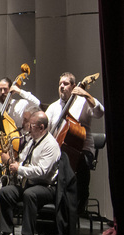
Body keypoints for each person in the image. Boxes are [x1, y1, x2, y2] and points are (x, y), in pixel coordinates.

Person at [0, 109, 60, 235]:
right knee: (5, 192)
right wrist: (12, 162)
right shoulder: (32, 141)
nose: (28, 128)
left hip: (46, 186)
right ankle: (8, 234)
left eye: (32, 125)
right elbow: (22, 158)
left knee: (29, 194)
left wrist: (19, 169)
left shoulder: (50, 145)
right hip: (29, 182)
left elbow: (42, 171)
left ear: (41, 127)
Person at [44, 72, 103, 215]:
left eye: (66, 84)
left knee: (75, 163)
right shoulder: (53, 107)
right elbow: (46, 131)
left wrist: (86, 95)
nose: (62, 87)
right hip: (61, 152)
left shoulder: (83, 102)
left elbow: (100, 112)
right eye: (60, 84)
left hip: (83, 151)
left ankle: (76, 209)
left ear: (74, 86)